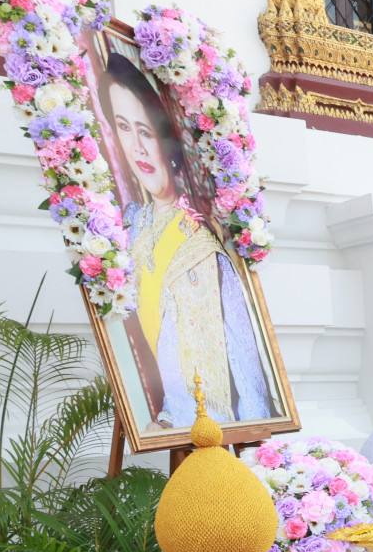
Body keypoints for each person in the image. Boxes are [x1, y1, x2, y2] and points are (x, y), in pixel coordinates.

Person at [100, 52, 273, 430]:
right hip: (168, 423)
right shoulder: (125, 228)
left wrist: (257, 439)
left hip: (213, 431)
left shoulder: (202, 239)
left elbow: (242, 356)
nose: (138, 148)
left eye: (146, 130)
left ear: (168, 139)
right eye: (124, 127)